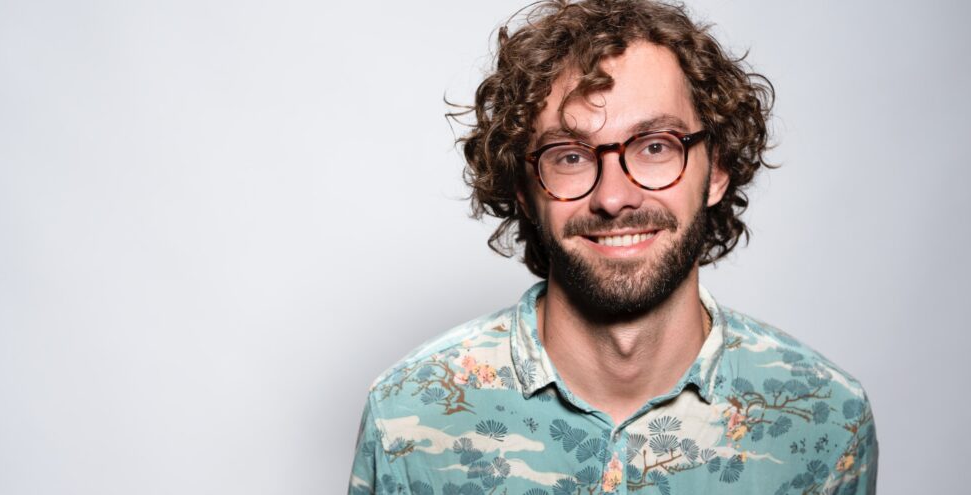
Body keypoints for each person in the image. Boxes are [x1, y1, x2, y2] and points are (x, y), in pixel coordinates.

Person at [348, 1, 878, 493]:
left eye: (655, 147)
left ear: (716, 170)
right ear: (525, 192)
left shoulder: (828, 419)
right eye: (571, 156)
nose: (614, 197)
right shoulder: (406, 413)